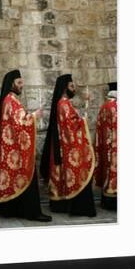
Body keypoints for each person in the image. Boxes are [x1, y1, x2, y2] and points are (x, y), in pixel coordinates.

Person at [0, 70, 51, 222]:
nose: (22, 86)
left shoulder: (10, 99)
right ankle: (32, 212)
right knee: (26, 174)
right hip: (15, 149)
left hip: (12, 147)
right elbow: (20, 122)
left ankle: (11, 209)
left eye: (22, 82)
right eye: (19, 83)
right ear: (11, 84)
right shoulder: (11, 100)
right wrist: (35, 115)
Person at [40, 74, 96, 217]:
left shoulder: (63, 103)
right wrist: (82, 120)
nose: (74, 88)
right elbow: (71, 125)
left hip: (62, 145)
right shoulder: (64, 104)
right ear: (65, 88)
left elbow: (72, 121)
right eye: (72, 86)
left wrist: (83, 110)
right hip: (67, 145)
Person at [94, 82, 118, 210]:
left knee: (107, 171)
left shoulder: (104, 106)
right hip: (114, 146)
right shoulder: (116, 106)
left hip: (105, 146)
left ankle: (106, 200)